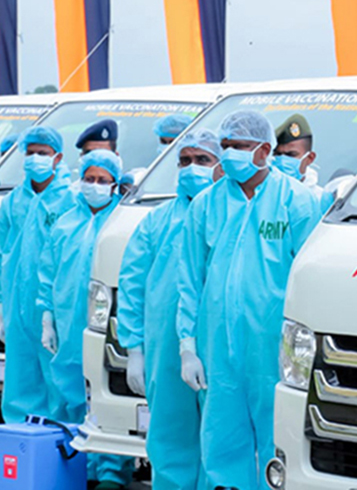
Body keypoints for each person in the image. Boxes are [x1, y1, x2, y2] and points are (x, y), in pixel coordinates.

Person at [176, 111, 320, 489]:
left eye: (239, 146)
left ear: (264, 151)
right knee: (222, 439)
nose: (229, 154)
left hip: (272, 347)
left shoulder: (296, 202)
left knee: (279, 442)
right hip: (217, 349)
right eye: (225, 146)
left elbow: (306, 281)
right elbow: (190, 280)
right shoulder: (205, 205)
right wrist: (187, 345)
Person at [117, 130, 222, 490]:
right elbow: (132, 285)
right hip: (165, 350)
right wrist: (134, 348)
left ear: (220, 165)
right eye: (185, 160)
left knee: (221, 442)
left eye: (202, 160)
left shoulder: (232, 216)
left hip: (219, 347)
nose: (192, 168)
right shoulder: (156, 222)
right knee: (169, 439)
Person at [37, 149, 134, 490]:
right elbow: (48, 272)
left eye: (102, 181)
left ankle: (110, 471)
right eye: (89, 179)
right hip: (66, 321)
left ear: (116, 184)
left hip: (106, 324)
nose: (94, 186)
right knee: (67, 393)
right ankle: (73, 464)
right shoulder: (66, 221)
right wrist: (47, 315)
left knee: (106, 397)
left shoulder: (120, 224)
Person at [0, 126, 77, 424]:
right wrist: (1, 305)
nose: (35, 159)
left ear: (58, 157)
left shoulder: (70, 200)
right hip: (17, 305)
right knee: (20, 374)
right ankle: (22, 444)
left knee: (58, 376)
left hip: (54, 305)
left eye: (43, 153)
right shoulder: (14, 200)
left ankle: (62, 444)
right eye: (31, 152)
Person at [272, 113, 334, 214]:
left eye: (291, 155)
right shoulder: (261, 194)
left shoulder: (321, 201)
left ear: (309, 158)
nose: (282, 160)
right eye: (277, 154)